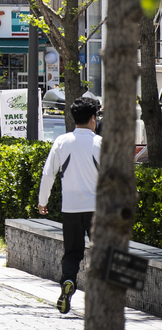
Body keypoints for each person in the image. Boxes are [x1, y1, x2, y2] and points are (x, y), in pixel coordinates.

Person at [39, 96, 102, 314]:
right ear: (93, 118)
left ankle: (68, 282)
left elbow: (48, 173)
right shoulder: (100, 143)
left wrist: (42, 202)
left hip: (71, 209)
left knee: (72, 253)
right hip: (97, 209)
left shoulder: (61, 141)